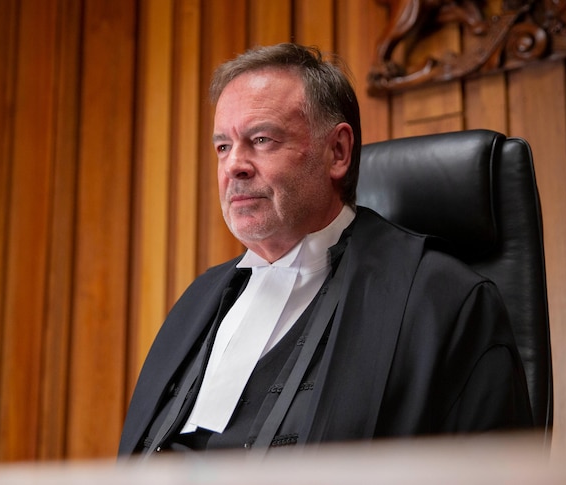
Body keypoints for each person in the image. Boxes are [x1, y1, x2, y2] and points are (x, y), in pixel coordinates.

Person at [118, 43, 532, 457]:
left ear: (337, 152)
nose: (233, 166)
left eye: (261, 139)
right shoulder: (200, 299)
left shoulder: (443, 299)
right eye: (223, 146)